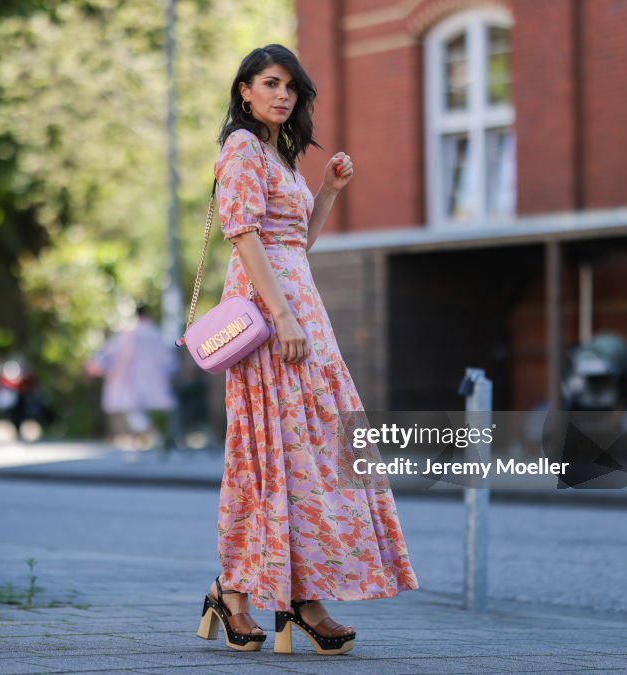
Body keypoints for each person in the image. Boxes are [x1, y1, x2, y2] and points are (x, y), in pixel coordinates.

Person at [195, 44, 419, 655]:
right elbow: (244, 238)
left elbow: (294, 243)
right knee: (271, 456)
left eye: (291, 87)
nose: (283, 95)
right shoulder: (241, 149)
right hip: (272, 322)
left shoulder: (277, 154)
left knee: (315, 454)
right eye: (270, 83)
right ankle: (239, 591)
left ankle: (299, 595)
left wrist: (326, 192)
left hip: (302, 316)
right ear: (244, 90)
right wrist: (285, 317)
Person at [87, 304, 177, 449]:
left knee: (134, 412)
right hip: (151, 378)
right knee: (140, 412)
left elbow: (110, 352)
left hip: (130, 378)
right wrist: (170, 372)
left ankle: (153, 438)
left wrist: (101, 366)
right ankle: (142, 443)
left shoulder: (129, 333)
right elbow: (167, 358)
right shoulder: (154, 332)